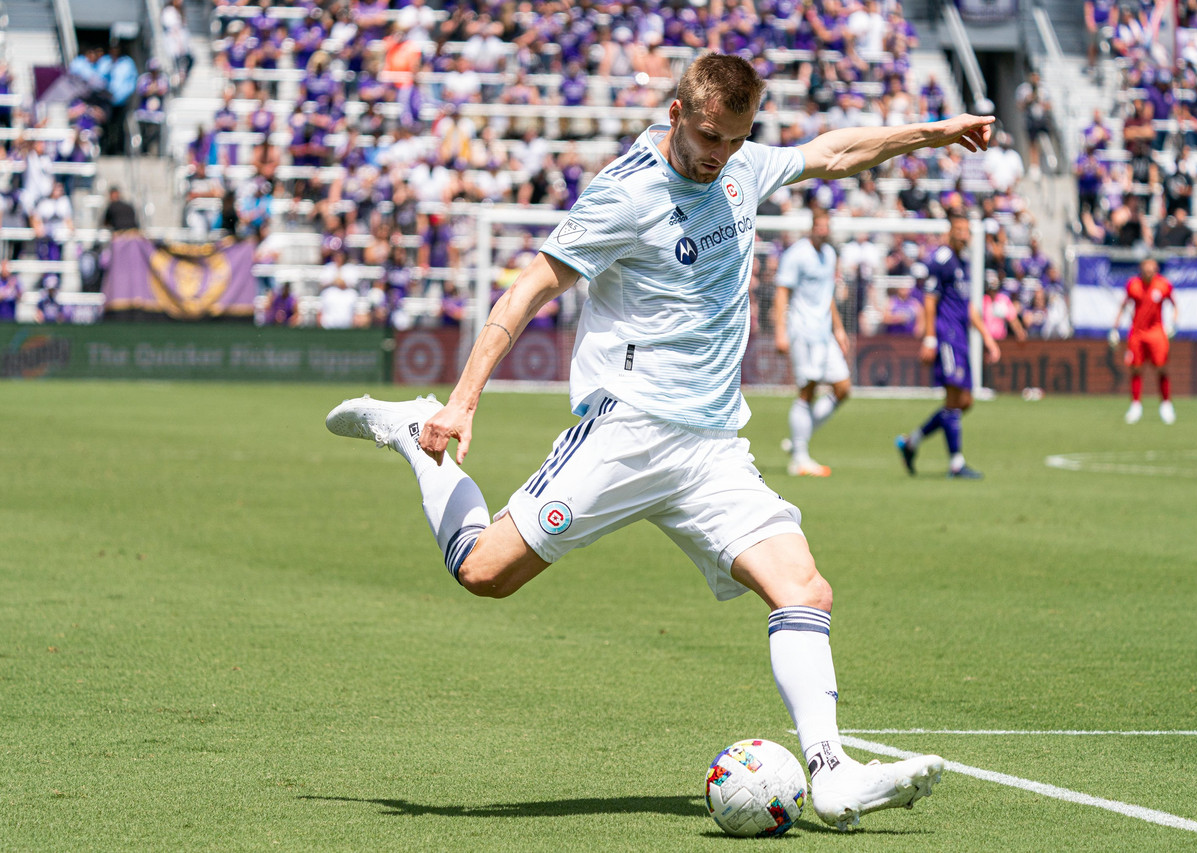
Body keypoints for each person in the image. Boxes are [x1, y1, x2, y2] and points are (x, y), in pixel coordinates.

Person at [326, 54, 993, 831]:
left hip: (713, 448)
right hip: (626, 433)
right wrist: (465, 400)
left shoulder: (742, 169)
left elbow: (836, 151)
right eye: (710, 135)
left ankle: (832, 771)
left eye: (736, 140)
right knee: (482, 572)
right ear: (677, 115)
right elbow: (528, 288)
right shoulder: (626, 192)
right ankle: (418, 434)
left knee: (804, 589)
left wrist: (934, 133)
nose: (719, 155)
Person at [896, 213, 1002, 479]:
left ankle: (912, 442)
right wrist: (930, 338)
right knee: (954, 399)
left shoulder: (962, 262)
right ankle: (956, 464)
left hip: (961, 339)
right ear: (950, 231)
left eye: (967, 230)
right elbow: (929, 300)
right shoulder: (941, 260)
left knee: (964, 401)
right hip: (947, 337)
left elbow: (967, 305)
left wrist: (987, 338)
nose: (963, 235)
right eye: (959, 230)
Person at [773, 210, 850, 478]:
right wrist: (780, 331)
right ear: (812, 227)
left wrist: (839, 330)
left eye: (827, 226)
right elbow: (782, 292)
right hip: (802, 331)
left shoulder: (829, 254)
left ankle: (798, 439)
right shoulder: (797, 254)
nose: (823, 230)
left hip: (824, 332)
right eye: (819, 225)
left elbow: (827, 295)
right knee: (808, 391)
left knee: (843, 388)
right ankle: (799, 458)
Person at [1109, 258, 1177, 424]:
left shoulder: (1163, 285)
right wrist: (1115, 328)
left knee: (1161, 367)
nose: (1149, 271)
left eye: (1152, 268)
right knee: (1136, 368)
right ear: (1141, 269)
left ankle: (1166, 405)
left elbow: (1175, 306)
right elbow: (1124, 305)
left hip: (1157, 333)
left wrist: (1172, 324)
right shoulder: (1133, 284)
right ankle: (1136, 405)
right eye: (1146, 268)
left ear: (1156, 269)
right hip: (1137, 334)